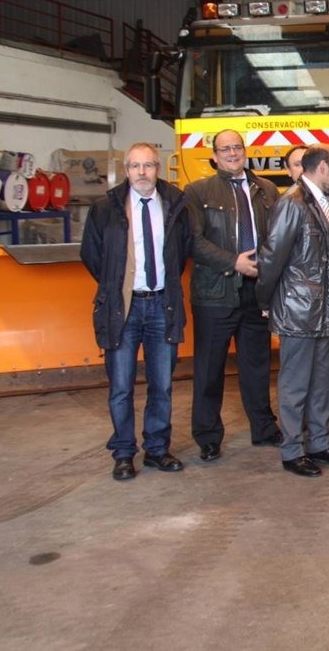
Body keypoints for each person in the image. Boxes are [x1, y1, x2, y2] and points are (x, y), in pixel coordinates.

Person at [81, 142, 192, 481]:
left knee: (162, 384)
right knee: (121, 385)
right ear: (126, 170)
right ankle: (124, 453)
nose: (142, 173)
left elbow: (183, 249)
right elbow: (92, 254)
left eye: (148, 166)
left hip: (163, 305)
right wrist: (118, 283)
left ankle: (157, 449)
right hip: (123, 308)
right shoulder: (106, 209)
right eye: (135, 166)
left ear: (158, 169)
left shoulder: (175, 205)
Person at [185, 129, 282, 462]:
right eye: (224, 149)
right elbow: (194, 242)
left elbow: (277, 237)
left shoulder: (267, 190)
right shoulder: (197, 192)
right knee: (209, 369)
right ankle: (208, 437)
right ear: (214, 156)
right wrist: (235, 262)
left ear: (245, 151)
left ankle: (264, 429)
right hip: (215, 293)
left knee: (256, 366)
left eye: (236, 147)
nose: (231, 153)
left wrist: (267, 271)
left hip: (256, 292)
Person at [256, 144, 329, 477]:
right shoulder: (292, 204)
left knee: (323, 381)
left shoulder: (326, 202)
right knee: (296, 384)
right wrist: (266, 301)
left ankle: (320, 444)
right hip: (298, 310)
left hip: (325, 309)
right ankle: (293, 450)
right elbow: (271, 258)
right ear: (322, 167)